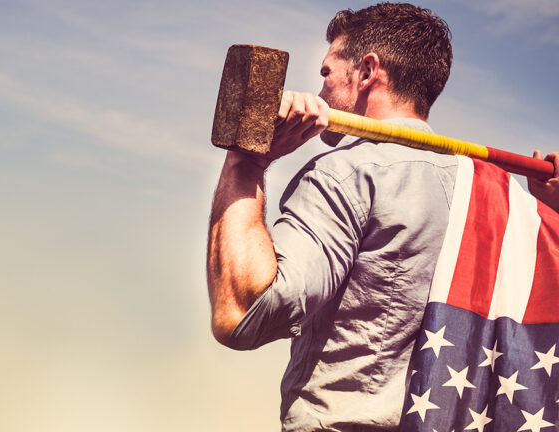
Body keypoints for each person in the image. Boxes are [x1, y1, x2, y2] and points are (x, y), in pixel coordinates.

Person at [206, 3, 559, 430]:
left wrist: (246, 164)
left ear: (368, 70)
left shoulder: (346, 173)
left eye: (326, 74)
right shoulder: (511, 205)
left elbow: (244, 313)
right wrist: (550, 213)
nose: (321, 93)